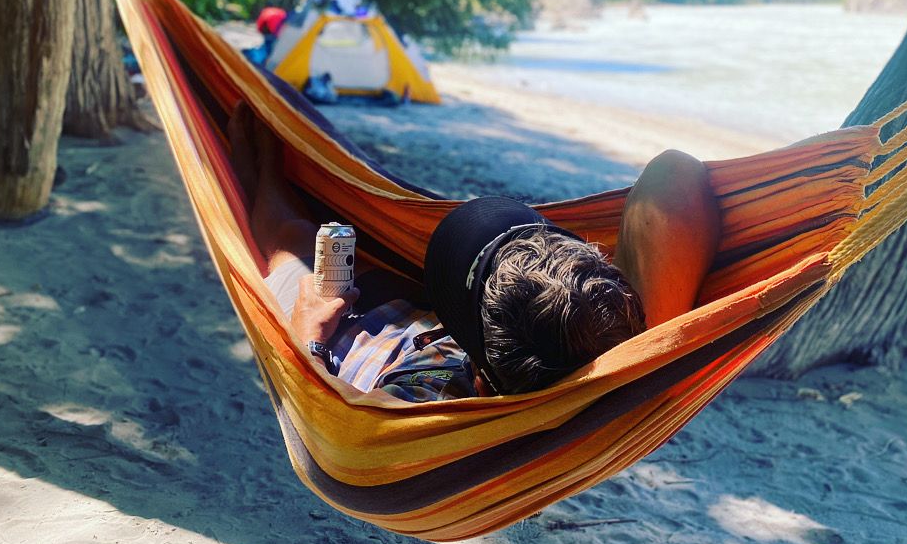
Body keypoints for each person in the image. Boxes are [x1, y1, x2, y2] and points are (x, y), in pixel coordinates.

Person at [227, 104, 720, 401]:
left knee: (289, 241)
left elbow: (331, 427)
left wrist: (309, 337)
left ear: (481, 379)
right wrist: (639, 335)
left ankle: (260, 176)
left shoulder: (423, 403)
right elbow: (675, 175)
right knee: (308, 228)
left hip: (338, 325)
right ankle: (270, 174)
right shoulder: (623, 351)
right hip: (421, 315)